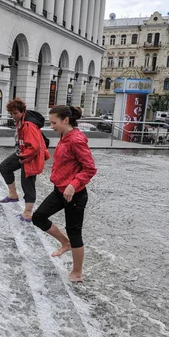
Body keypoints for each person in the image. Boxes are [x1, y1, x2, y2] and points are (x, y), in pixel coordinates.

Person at [31, 105, 97, 282]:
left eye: (54, 123)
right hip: (59, 190)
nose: (51, 126)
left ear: (66, 120)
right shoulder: (64, 135)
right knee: (38, 217)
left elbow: (90, 168)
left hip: (74, 194)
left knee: (75, 232)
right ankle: (64, 243)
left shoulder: (76, 140)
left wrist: (74, 184)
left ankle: (77, 272)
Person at [0, 98, 50, 222]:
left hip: (31, 157)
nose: (13, 116)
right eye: (11, 114)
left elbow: (35, 147)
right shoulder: (21, 121)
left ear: (22, 111)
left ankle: (27, 213)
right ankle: (13, 194)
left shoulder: (28, 125)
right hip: (23, 153)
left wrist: (23, 158)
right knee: (5, 167)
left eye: (15, 113)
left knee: (27, 183)